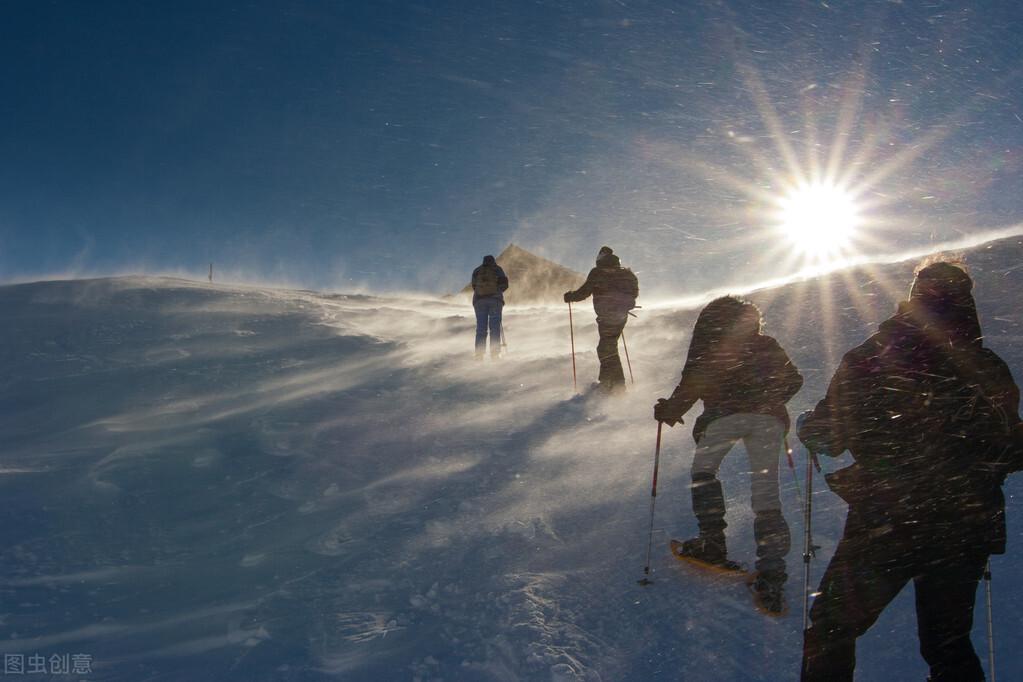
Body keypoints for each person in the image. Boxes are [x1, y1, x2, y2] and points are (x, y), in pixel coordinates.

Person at [797, 261, 1023, 681]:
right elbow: (1010, 449)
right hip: (965, 522)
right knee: (948, 642)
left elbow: (831, 437)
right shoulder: (986, 367)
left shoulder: (871, 356)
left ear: (915, 296)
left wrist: (809, 425)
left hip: (888, 516)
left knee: (833, 626)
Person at [654, 296, 803, 614]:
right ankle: (772, 572)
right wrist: (765, 398)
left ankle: (712, 543)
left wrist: (668, 411)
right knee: (766, 495)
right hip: (768, 420)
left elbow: (689, 389)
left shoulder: (709, 347)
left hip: (723, 417)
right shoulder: (766, 344)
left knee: (704, 473)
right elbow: (794, 380)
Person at [563, 246, 639, 393]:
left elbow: (584, 292)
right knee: (607, 347)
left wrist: (570, 296)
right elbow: (634, 293)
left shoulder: (597, 272)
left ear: (600, 258)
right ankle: (607, 382)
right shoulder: (626, 273)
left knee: (606, 348)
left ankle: (616, 385)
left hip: (606, 316)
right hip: (621, 316)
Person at [470, 255, 509, 359]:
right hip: (495, 300)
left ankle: (479, 354)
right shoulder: (497, 269)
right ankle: (495, 354)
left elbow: (473, 286)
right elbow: (505, 283)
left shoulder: (477, 270)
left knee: (481, 328)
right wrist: (497, 291)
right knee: (494, 327)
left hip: (479, 301)